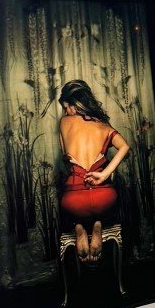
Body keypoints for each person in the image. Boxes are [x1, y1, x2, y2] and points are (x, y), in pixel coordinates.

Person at [58, 79, 130, 263]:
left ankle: (79, 227)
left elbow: (65, 156)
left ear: (75, 103)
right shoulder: (103, 125)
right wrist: (104, 174)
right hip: (103, 197)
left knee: (70, 208)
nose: (66, 112)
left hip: (75, 200)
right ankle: (99, 224)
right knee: (106, 205)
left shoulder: (64, 122)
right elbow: (125, 146)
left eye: (67, 107)